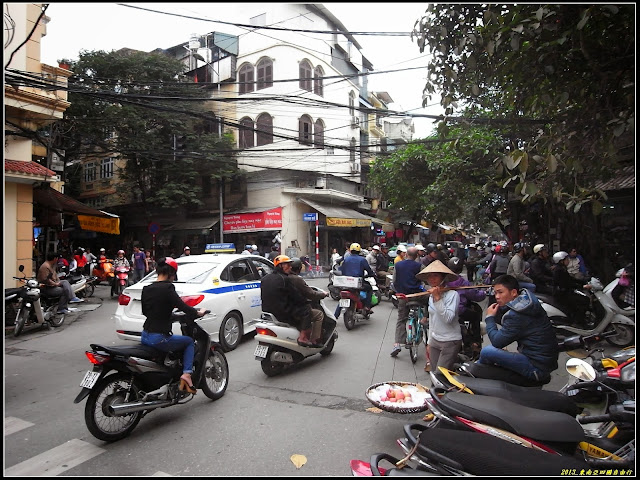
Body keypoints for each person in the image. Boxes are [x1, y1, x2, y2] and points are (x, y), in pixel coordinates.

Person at [141, 257, 207, 394]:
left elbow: (147, 312)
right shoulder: (168, 288)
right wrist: (197, 313)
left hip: (145, 335)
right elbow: (183, 306)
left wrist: (170, 316)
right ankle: (187, 374)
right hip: (159, 338)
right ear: (171, 273)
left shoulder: (146, 288)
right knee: (188, 342)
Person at [478, 274, 559, 384]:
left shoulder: (517, 315)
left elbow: (497, 342)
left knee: (487, 352)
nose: (496, 296)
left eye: (500, 292)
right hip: (544, 361)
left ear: (514, 292)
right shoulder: (527, 302)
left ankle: (475, 376)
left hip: (536, 366)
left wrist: (489, 317)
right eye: (495, 292)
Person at [416, 260, 461, 371]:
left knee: (441, 375)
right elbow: (432, 320)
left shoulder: (453, 295)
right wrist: (430, 342)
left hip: (450, 341)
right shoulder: (431, 296)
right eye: (430, 276)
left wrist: (437, 299)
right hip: (435, 340)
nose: (432, 279)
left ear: (443, 278)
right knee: (433, 374)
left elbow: (448, 318)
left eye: (435, 276)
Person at [447, 256, 487, 357]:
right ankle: (476, 341)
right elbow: (475, 295)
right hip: (460, 311)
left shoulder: (444, 281)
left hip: (446, 310)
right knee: (475, 315)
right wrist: (484, 293)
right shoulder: (463, 282)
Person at [390, 246, 425, 358]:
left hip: (403, 297)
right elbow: (424, 279)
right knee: (429, 301)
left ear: (406, 255)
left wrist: (399, 291)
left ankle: (397, 344)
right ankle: (425, 319)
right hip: (416, 296)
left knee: (401, 319)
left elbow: (394, 281)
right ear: (416, 256)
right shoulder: (419, 266)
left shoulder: (398, 265)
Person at [288, 257, 329, 346]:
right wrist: (323, 295)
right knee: (319, 315)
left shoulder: (283, 277)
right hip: (295, 309)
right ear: (299, 268)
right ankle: (314, 340)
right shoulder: (297, 279)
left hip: (285, 307)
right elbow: (310, 293)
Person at [552, 251, 592, 325]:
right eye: (566, 259)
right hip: (562, 294)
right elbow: (567, 283)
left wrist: (583, 281)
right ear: (561, 261)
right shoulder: (559, 270)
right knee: (584, 301)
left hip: (566, 292)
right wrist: (582, 286)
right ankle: (579, 322)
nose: (568, 261)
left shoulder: (562, 269)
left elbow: (570, 279)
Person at [340, 243, 376, 314]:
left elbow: (342, 270)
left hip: (346, 283)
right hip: (358, 283)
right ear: (359, 251)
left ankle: (336, 315)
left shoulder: (346, 259)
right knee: (369, 288)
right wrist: (372, 274)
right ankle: (367, 306)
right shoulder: (362, 260)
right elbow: (369, 270)